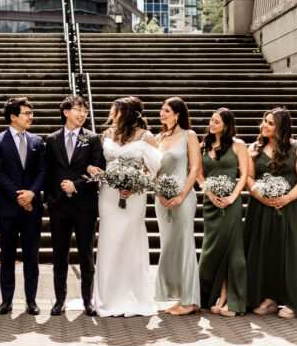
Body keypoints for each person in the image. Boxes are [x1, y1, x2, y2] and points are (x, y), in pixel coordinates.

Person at [244, 107, 297, 318]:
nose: (265, 126)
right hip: (261, 208)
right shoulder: (254, 148)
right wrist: (262, 196)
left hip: (291, 208)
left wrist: (287, 197)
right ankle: (269, 299)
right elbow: (249, 178)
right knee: (266, 253)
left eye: (271, 123)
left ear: (281, 127)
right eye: (265, 121)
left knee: (291, 253)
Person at [92, 97, 161, 317]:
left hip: (134, 196)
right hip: (109, 195)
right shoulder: (106, 135)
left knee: (130, 242)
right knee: (109, 241)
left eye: (115, 109)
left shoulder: (146, 137)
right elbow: (100, 163)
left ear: (126, 112)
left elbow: (154, 171)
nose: (111, 112)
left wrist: (135, 184)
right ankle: (107, 297)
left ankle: (133, 296)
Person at [44, 95, 103, 316]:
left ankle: (88, 300)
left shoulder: (93, 138)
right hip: (59, 205)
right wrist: (51, 197)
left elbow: (99, 169)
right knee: (60, 255)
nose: (82, 114)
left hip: (84, 204)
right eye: (78, 109)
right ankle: (59, 300)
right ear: (66, 112)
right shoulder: (52, 139)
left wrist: (76, 185)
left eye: (85, 111)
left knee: (86, 254)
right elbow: (48, 171)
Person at [0, 97, 47, 315]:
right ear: (13, 116)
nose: (31, 117)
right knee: (7, 255)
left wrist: (32, 193)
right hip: (8, 208)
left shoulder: (37, 141)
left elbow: (43, 170)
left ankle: (31, 300)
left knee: (32, 254)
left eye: (31, 113)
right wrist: (19, 196)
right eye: (26, 113)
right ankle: (6, 300)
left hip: (32, 206)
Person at [196, 107, 248, 316]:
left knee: (233, 251)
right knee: (212, 250)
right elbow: (200, 175)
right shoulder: (204, 146)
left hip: (231, 203)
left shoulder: (238, 145)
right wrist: (209, 193)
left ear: (226, 125)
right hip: (210, 204)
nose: (212, 124)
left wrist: (233, 196)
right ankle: (210, 296)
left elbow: (244, 174)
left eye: (217, 121)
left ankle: (231, 300)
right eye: (211, 120)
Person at [154, 97, 201, 316]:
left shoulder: (189, 135)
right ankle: (178, 296)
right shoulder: (157, 138)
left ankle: (191, 300)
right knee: (169, 246)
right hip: (162, 200)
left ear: (177, 114)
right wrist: (158, 191)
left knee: (185, 245)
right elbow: (152, 170)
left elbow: (194, 168)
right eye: (161, 110)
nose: (162, 114)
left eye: (166, 110)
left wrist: (182, 195)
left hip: (183, 199)